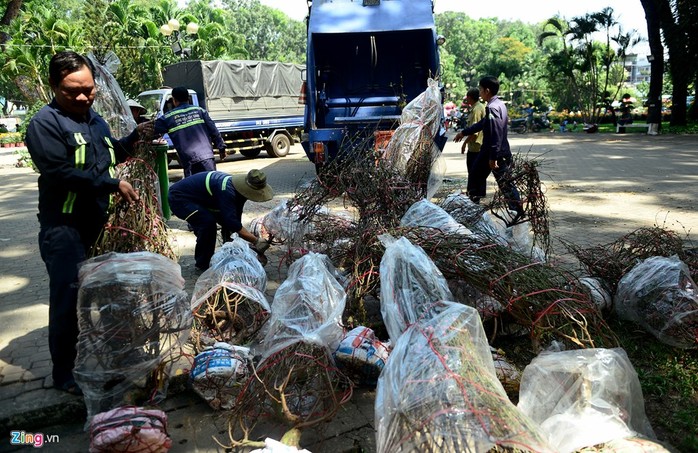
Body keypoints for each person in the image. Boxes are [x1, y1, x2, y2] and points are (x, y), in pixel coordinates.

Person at [25, 50, 150, 396]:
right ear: (54, 86)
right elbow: (60, 173)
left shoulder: (96, 122)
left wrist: (137, 138)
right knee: (68, 300)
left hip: (99, 226)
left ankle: (120, 356)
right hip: (63, 229)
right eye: (72, 91)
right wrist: (112, 185)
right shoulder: (44, 124)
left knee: (112, 296)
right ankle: (63, 372)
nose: (82, 97)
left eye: (89, 89)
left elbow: (111, 156)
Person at [168, 169, 273, 271]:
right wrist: (255, 240)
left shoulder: (240, 191)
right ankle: (202, 264)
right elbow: (231, 221)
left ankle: (228, 254)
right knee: (207, 224)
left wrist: (236, 239)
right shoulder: (227, 191)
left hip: (201, 199)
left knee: (228, 224)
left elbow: (235, 218)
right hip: (179, 198)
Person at [453, 76, 524, 221]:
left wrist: (492, 157)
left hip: (493, 153)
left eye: (480, 89)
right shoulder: (499, 104)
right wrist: (464, 132)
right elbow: (482, 124)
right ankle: (515, 211)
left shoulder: (492, 107)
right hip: (498, 151)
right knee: (502, 182)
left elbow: (495, 133)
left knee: (480, 178)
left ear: (487, 90)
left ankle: (475, 211)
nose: (479, 93)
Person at [154, 86, 227, 177]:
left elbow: (152, 132)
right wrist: (221, 148)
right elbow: (214, 131)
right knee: (210, 185)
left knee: (194, 189)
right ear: (188, 98)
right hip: (207, 157)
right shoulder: (200, 111)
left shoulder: (167, 118)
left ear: (174, 100)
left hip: (190, 161)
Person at [457, 88, 486, 196]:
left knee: (474, 173)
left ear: (469, 97)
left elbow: (475, 132)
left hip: (476, 148)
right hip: (475, 147)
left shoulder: (477, 109)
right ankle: (475, 194)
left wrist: (464, 143)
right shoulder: (477, 107)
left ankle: (474, 196)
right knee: (476, 173)